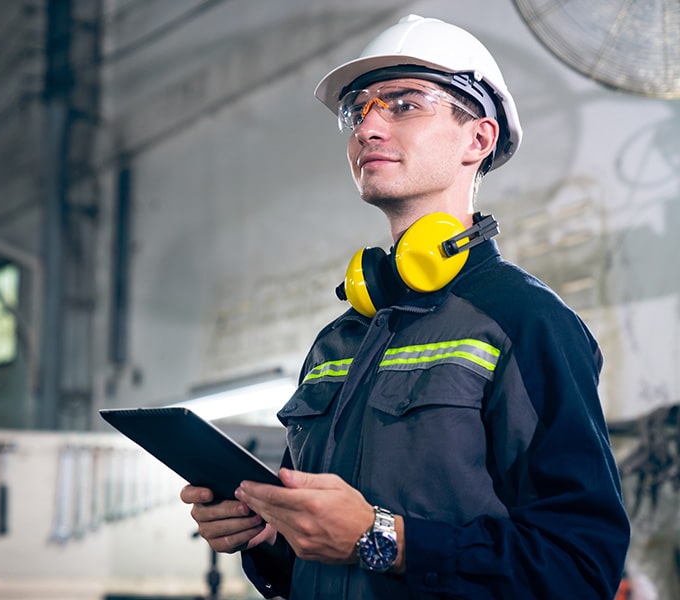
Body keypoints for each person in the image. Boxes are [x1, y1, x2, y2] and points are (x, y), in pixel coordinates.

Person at [181, 14, 630, 599]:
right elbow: (321, 565)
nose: (368, 128)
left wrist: (382, 538)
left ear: (479, 139)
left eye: (403, 104)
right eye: (357, 110)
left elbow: (580, 567)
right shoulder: (337, 341)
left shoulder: (526, 321)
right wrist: (269, 538)